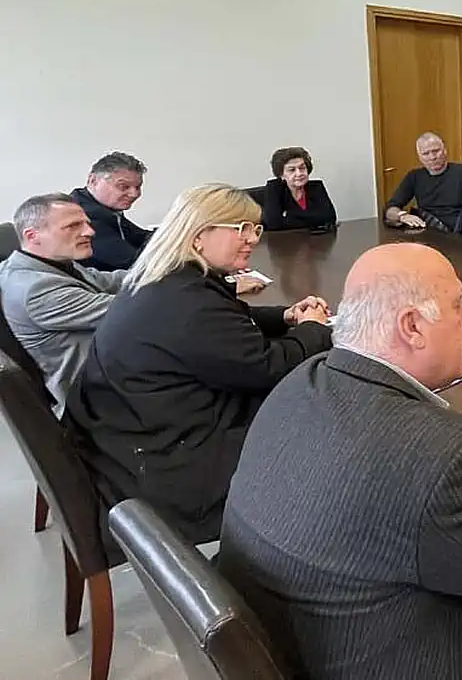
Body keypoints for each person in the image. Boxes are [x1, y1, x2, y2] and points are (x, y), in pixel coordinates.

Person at [217, 242, 462, 680]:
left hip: (308, 645)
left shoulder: (304, 382)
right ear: (411, 326)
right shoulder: (446, 461)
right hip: (405, 658)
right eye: (458, 304)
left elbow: (385, 430)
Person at [65, 183, 334, 542]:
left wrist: (284, 316)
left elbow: (224, 322)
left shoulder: (169, 280)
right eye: (241, 229)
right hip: (171, 461)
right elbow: (267, 367)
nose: (252, 239)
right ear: (197, 236)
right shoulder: (187, 301)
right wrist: (314, 330)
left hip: (131, 432)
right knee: (320, 416)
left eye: (255, 229)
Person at [0, 194, 125, 415]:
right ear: (32, 236)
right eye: (73, 226)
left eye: (86, 223)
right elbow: (129, 311)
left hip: (110, 366)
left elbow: (109, 280)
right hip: (97, 396)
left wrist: (162, 270)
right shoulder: (36, 290)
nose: (90, 231)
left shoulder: (48, 263)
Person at [384, 132, 462, 233]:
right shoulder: (414, 176)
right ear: (420, 157)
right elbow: (390, 209)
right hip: (428, 230)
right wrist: (402, 216)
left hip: (460, 232)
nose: (432, 157)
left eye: (436, 151)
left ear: (445, 151)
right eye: (426, 153)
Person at [70, 151, 153, 271]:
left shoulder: (105, 209)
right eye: (124, 187)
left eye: (138, 187)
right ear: (93, 181)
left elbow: (141, 237)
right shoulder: (82, 215)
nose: (134, 194)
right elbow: (134, 263)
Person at [262, 146, 338, 231]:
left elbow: (330, 217)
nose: (299, 173)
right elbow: (273, 223)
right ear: (281, 174)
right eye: (292, 170)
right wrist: (313, 219)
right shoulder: (274, 188)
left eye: (302, 168)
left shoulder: (316, 187)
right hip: (285, 239)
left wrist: (289, 217)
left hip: (316, 238)